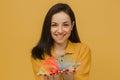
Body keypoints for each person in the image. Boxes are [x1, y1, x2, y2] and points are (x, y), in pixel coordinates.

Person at [31, 3, 91, 80]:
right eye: (54, 25)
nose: (60, 31)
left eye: (65, 25)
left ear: (72, 26)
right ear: (48, 27)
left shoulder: (83, 50)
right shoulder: (38, 54)